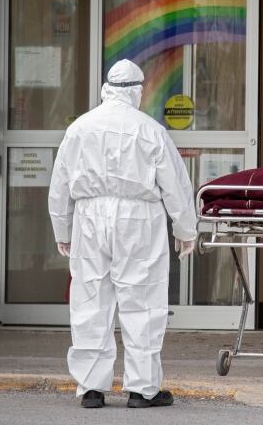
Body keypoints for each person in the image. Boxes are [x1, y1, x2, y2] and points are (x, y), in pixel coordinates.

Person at [48, 59, 197, 408]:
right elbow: (175, 183)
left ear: (106, 89)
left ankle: (92, 388)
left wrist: (62, 228)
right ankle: (142, 389)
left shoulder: (80, 129)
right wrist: (185, 228)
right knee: (142, 301)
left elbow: (60, 185)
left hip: (89, 216)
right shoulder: (150, 130)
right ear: (136, 90)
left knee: (90, 299)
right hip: (138, 218)